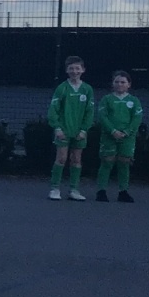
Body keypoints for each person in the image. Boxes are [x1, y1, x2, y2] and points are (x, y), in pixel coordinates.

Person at [46, 56, 94, 201]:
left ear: (83, 70)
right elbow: (53, 109)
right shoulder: (62, 88)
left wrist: (84, 129)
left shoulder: (87, 89)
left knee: (76, 159)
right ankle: (55, 188)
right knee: (61, 158)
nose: (74, 71)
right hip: (64, 129)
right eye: (71, 68)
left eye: (77, 68)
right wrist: (57, 127)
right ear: (67, 70)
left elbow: (89, 112)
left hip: (79, 131)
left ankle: (74, 190)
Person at [94, 71, 142, 203]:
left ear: (129, 84)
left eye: (123, 82)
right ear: (112, 83)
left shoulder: (134, 100)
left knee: (124, 162)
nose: (119, 84)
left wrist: (127, 131)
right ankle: (101, 191)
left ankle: (123, 191)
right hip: (109, 135)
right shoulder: (106, 99)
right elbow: (102, 117)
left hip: (127, 137)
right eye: (116, 82)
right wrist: (113, 131)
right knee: (107, 161)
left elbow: (137, 118)